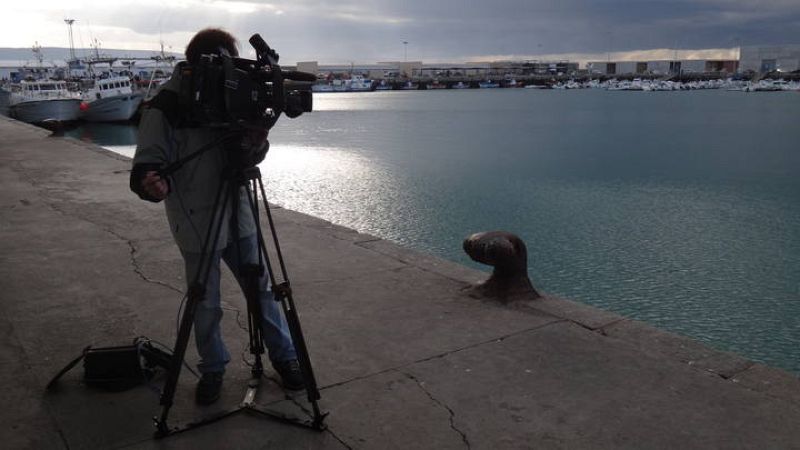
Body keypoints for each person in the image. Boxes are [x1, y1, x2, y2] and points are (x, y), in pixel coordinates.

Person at [130, 28, 303, 405]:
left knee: (261, 290)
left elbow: (249, 155)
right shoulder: (168, 104)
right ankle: (213, 369)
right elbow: (146, 164)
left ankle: (285, 357)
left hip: (239, 214)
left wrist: (257, 141)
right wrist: (151, 183)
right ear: (196, 64)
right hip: (196, 219)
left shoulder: (235, 94)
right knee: (205, 302)